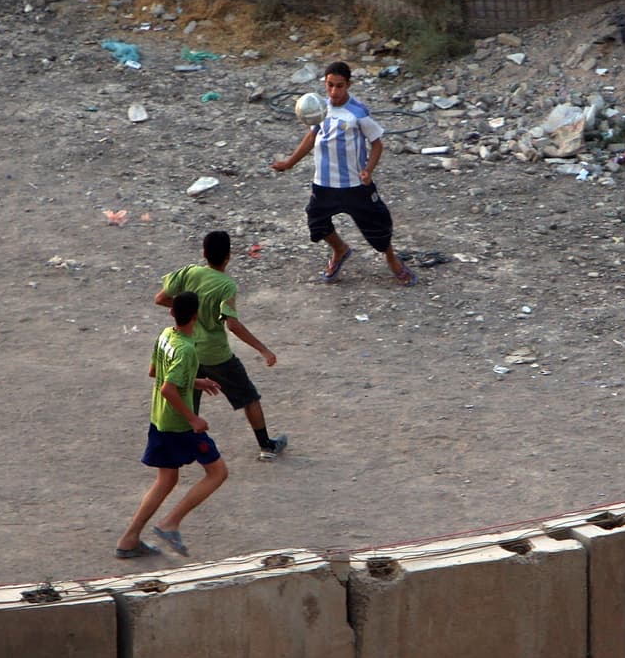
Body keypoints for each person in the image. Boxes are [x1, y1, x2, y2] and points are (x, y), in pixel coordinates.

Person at [271, 60, 417, 287]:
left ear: (348, 85)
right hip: (324, 183)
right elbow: (312, 137)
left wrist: (368, 170)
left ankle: (392, 259)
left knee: (378, 225)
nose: (334, 91)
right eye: (330, 85)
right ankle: (340, 250)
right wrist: (290, 162)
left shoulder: (358, 112)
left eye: (339, 86)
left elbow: (377, 143)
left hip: (355, 184)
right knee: (316, 222)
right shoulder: (320, 108)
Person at [155, 230, 288, 462]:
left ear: (204, 253)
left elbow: (161, 298)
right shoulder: (227, 286)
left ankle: (179, 447)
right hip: (216, 354)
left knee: (189, 399)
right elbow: (233, 325)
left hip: (187, 348)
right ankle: (266, 446)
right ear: (228, 256)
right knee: (248, 397)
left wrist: (187, 312)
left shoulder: (189, 272)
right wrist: (263, 349)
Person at [115, 291, 228, 559]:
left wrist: (195, 381)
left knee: (166, 479)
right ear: (196, 316)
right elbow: (168, 388)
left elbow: (155, 373)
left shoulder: (166, 336)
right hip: (179, 426)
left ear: (172, 313)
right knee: (218, 472)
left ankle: (129, 539)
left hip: (159, 419)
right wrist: (194, 418)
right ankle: (170, 523)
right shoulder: (188, 349)